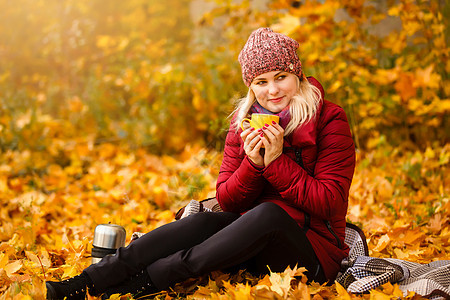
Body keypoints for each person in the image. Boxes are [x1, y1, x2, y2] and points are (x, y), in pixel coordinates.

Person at [46, 27, 356, 300]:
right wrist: (252, 164)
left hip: (312, 256)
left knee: (268, 213)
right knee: (203, 221)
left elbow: (328, 202)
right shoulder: (244, 124)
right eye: (261, 82)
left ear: (297, 75)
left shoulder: (329, 119)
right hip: (247, 245)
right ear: (251, 86)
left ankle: (148, 281)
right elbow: (228, 200)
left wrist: (275, 163)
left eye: (281, 78)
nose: (272, 90)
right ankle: (84, 283)